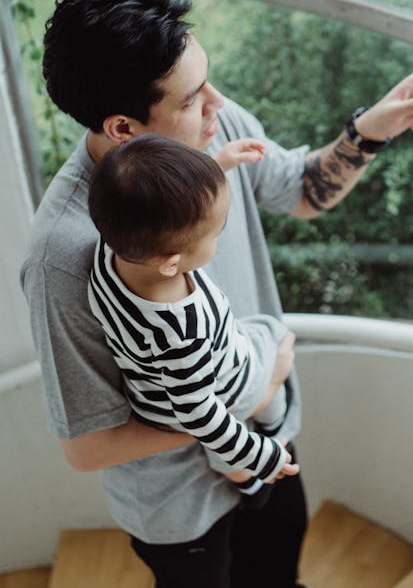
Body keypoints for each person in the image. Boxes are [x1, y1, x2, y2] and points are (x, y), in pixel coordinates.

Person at [21, 0, 413, 588]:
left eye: (206, 83)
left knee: (279, 535)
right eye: (191, 98)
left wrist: (373, 129)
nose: (217, 109)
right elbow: (88, 447)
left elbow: (300, 191)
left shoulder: (209, 130)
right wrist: (233, 409)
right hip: (173, 495)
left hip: (268, 429)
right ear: (124, 127)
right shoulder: (65, 256)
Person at [87, 133, 300, 504]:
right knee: (275, 335)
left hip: (156, 396)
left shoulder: (113, 248)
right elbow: (200, 414)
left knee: (260, 338)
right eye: (215, 233)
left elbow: (159, 206)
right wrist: (258, 455)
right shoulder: (180, 333)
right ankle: (252, 453)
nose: (219, 234)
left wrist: (218, 164)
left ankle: (242, 448)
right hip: (217, 393)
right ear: (171, 262)